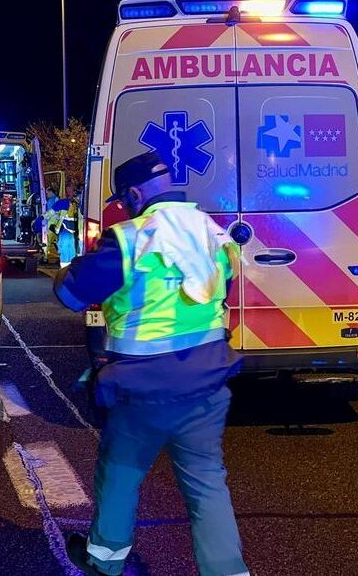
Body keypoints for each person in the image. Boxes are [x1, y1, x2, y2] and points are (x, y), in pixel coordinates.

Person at [53, 151, 249, 576]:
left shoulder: (129, 238)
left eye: (125, 201)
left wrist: (69, 265)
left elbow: (69, 294)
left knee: (121, 471)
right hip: (206, 381)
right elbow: (222, 290)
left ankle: (105, 560)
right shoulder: (215, 234)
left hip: (141, 389)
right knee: (206, 481)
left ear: (136, 194)